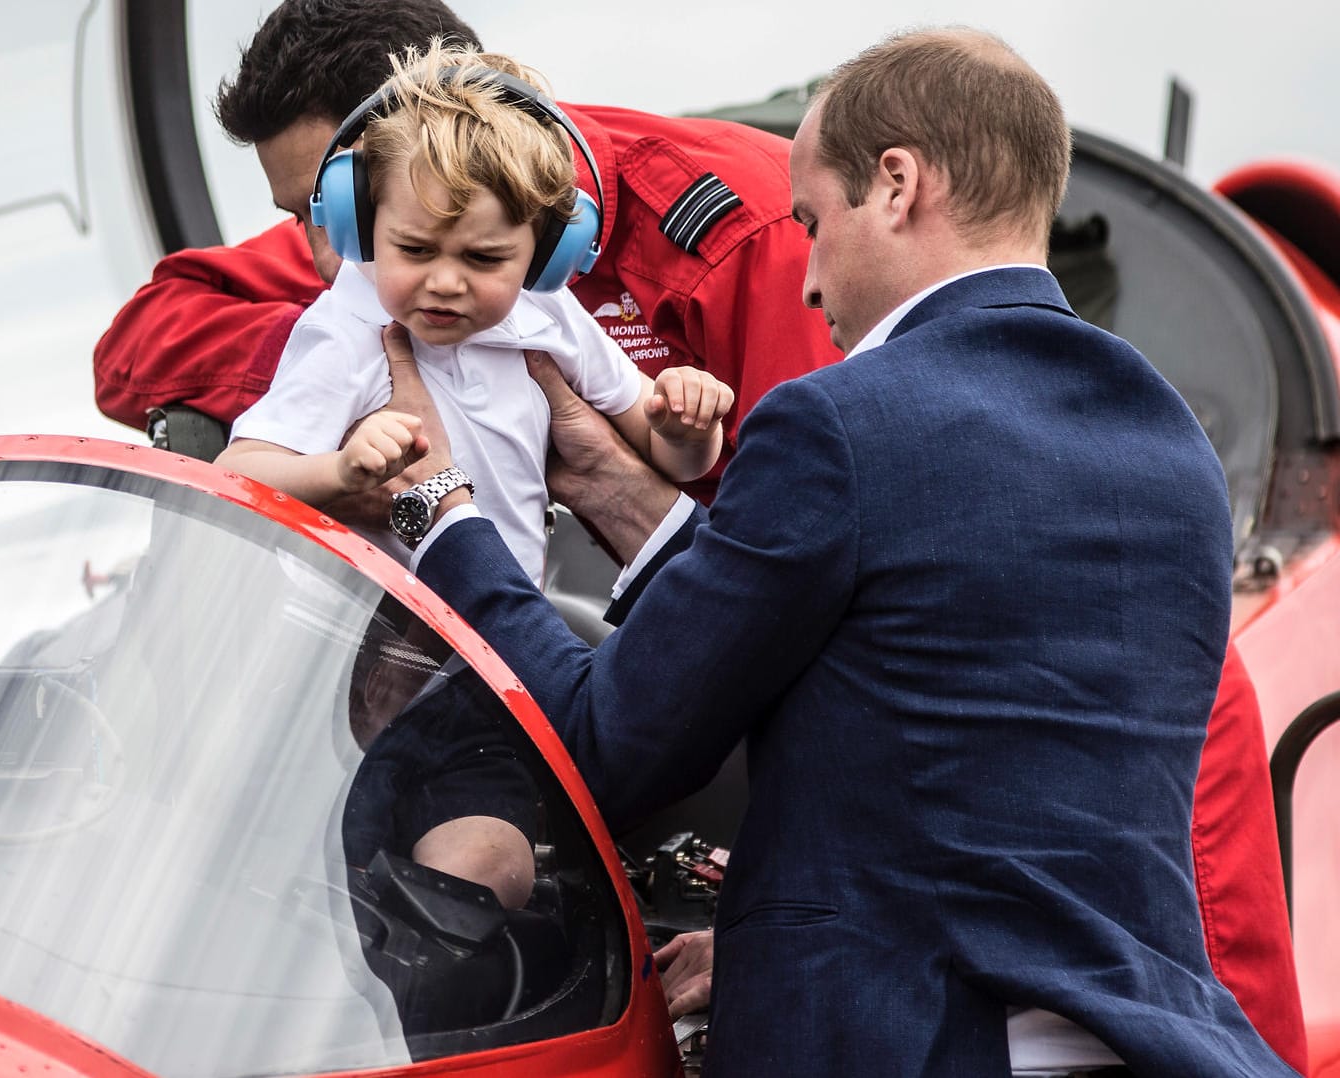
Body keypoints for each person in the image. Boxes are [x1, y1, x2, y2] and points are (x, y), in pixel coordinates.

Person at [383, 28, 1299, 1076]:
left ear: (898, 185)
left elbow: (611, 736)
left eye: (813, 222)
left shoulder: (839, 423)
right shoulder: (1173, 448)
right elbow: (968, 757)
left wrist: (441, 514)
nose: (810, 282)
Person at [93, 0, 840, 510]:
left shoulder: (755, 232)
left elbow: (804, 533)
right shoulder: (374, 256)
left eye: (328, 210)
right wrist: (354, 368)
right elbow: (137, 344)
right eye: (311, 218)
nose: (327, 259)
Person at [216, 43, 731, 584]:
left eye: (483, 258)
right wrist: (339, 473)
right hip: (373, 638)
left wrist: (688, 429)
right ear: (360, 225)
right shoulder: (347, 333)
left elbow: (673, 457)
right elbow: (237, 477)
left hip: (503, 632)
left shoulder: (546, 312)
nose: (444, 283)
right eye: (414, 250)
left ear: (551, 254)